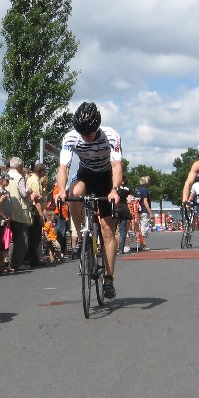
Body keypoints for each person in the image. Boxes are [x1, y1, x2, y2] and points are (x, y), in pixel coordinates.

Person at [56, 102, 124, 299]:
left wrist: (114, 189)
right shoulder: (70, 137)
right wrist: (61, 190)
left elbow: (117, 165)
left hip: (106, 177)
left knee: (107, 229)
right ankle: (81, 234)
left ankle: (109, 279)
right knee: (73, 193)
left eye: (90, 133)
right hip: (86, 174)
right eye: (82, 133)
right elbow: (64, 168)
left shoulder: (111, 135)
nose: (86, 137)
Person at [137, 176, 154, 250]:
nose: (150, 183)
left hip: (139, 210)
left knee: (141, 227)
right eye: (149, 181)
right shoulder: (144, 190)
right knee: (144, 227)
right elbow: (145, 202)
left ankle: (141, 243)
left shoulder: (139, 190)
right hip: (144, 210)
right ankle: (142, 244)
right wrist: (150, 212)